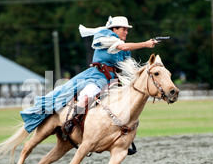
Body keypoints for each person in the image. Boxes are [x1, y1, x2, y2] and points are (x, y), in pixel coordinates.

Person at [20, 16, 158, 136]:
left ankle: (123, 137)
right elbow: (123, 47)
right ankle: (71, 123)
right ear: (114, 29)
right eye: (124, 29)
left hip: (113, 80)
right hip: (96, 77)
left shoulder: (122, 46)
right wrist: (146, 44)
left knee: (125, 104)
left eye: (127, 30)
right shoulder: (105, 37)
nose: (126, 32)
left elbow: (131, 67)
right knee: (87, 96)